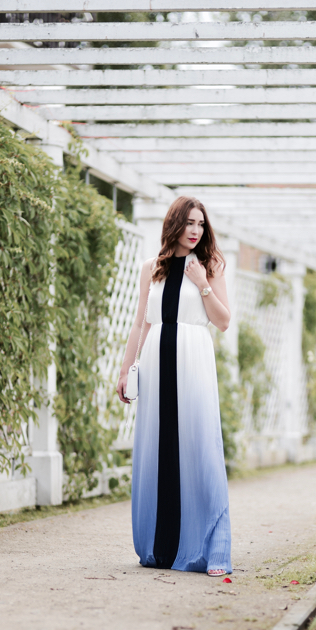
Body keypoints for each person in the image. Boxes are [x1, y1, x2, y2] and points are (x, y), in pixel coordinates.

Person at [116, 196, 232, 576]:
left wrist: (202, 285)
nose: (196, 230)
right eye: (189, 223)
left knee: (200, 448)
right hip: (155, 363)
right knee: (158, 449)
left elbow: (224, 321)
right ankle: (159, 547)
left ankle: (209, 550)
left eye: (201, 223)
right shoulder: (151, 268)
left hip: (194, 361)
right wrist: (125, 370)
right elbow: (141, 323)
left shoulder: (210, 266)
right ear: (174, 224)